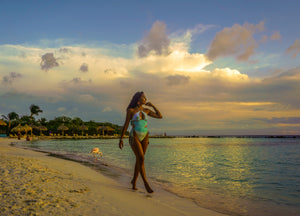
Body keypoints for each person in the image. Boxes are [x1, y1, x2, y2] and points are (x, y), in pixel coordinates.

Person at [119, 91, 162, 193]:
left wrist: (153, 106)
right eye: (143, 97)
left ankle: (133, 181)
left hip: (145, 135)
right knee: (141, 157)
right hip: (135, 135)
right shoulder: (131, 110)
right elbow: (125, 125)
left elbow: (160, 116)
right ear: (138, 100)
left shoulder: (146, 111)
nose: (145, 99)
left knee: (140, 160)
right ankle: (146, 183)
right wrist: (121, 139)